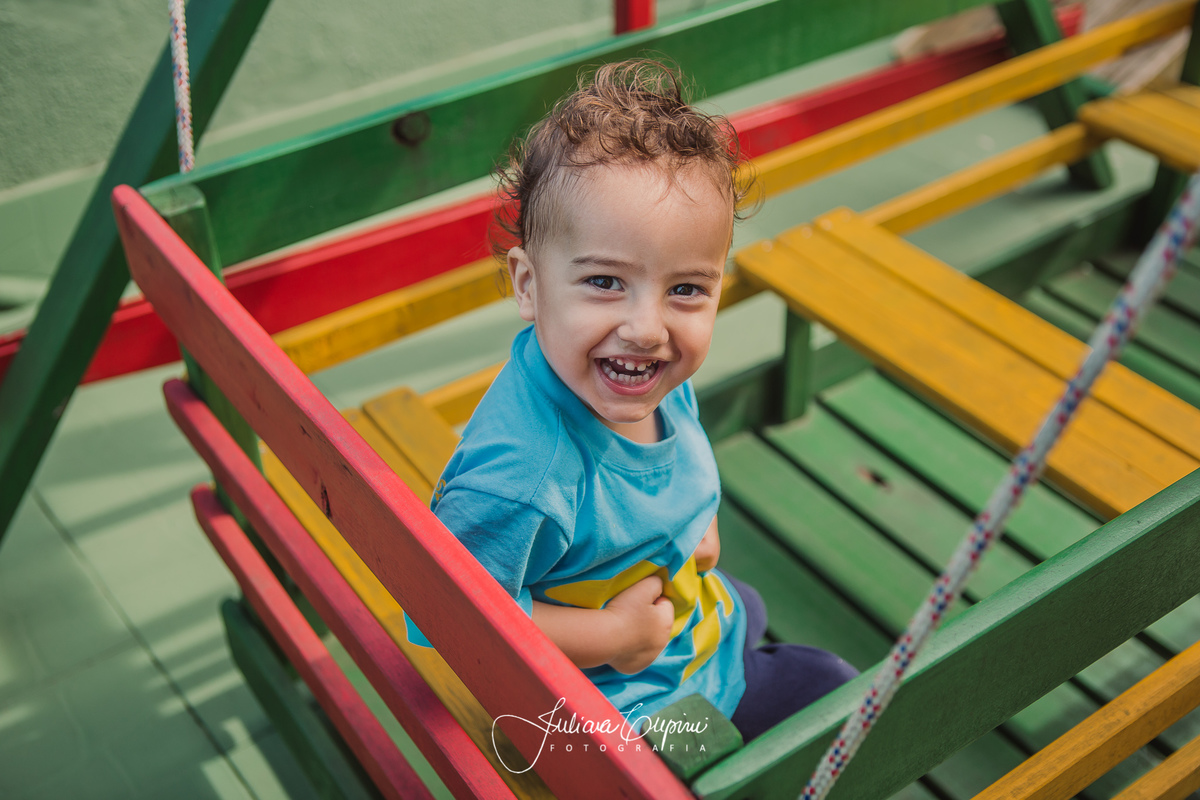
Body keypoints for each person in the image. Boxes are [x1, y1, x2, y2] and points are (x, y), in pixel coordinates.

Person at [407, 59, 857, 741]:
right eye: (605, 282)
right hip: (633, 714)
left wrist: (696, 518)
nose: (648, 328)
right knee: (832, 691)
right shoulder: (522, 477)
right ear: (528, 285)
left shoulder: (630, 374)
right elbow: (444, 617)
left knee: (753, 613)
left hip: (678, 609)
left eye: (686, 290)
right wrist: (615, 635)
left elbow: (672, 454)